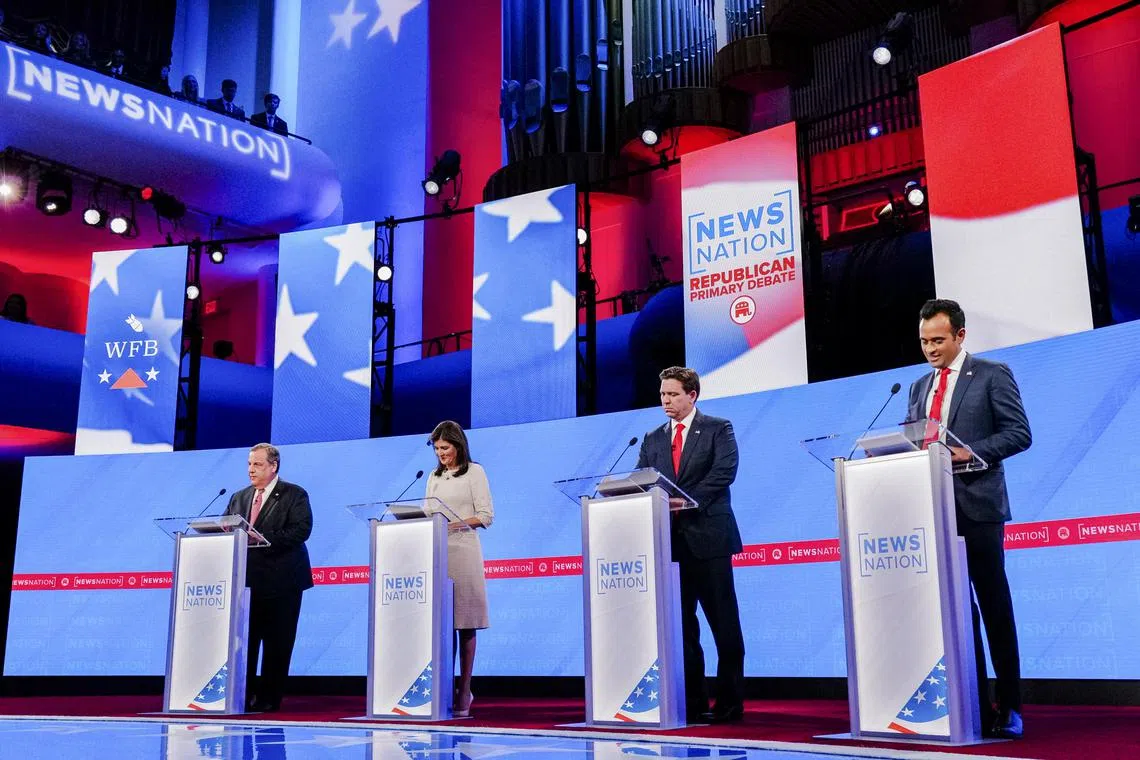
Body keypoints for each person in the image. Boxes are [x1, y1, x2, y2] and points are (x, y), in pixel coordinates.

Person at [907, 299, 1031, 740]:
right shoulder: (919, 387)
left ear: (960, 335)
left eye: (938, 340)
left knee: (994, 607)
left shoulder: (992, 375)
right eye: (924, 341)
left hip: (977, 507)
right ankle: (973, 702)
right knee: (955, 611)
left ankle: (1012, 706)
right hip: (933, 509)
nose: (930, 349)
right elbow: (912, 438)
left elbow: (1019, 433)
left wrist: (971, 452)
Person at [636, 366, 745, 723]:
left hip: (710, 541)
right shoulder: (652, 438)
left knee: (724, 628)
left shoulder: (718, 428)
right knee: (683, 631)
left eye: (673, 394)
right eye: (663, 394)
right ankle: (694, 703)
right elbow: (641, 481)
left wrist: (683, 500)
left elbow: (724, 473)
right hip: (671, 546)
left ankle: (729, 705)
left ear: (692, 395)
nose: (665, 400)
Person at [223, 443, 314, 713]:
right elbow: (226, 525)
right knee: (247, 643)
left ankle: (269, 699)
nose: (251, 469)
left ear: (273, 466)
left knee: (278, 644)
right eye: (249, 464)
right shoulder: (239, 497)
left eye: (258, 464)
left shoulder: (294, 494)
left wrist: (263, 540)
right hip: (248, 582)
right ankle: (245, 694)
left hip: (283, 581)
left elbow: (301, 530)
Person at [425, 421, 493, 718]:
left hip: (463, 549)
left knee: (464, 624)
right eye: (437, 449)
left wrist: (450, 524)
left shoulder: (474, 472)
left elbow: (486, 515)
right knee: (440, 626)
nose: (441, 454)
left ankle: (464, 689)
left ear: (458, 445)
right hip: (437, 551)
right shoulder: (434, 476)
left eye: (446, 448)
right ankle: (441, 687)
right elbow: (427, 511)